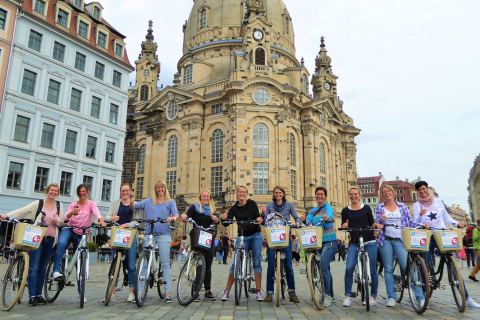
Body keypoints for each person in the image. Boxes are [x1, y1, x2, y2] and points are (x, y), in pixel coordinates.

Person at [413, 180, 480, 308]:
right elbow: (415, 223)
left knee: (452, 263)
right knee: (425, 265)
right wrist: (420, 217)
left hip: (441, 234)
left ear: (428, 189)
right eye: (419, 190)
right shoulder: (417, 205)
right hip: (427, 235)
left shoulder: (438, 201)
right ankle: (423, 293)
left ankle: (467, 298)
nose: (422, 191)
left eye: (424, 188)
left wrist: (457, 223)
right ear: (417, 192)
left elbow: (447, 218)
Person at [0, 183, 65, 306]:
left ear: (58, 193)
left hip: (51, 238)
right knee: (34, 266)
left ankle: (39, 294)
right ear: (47, 191)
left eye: (56, 191)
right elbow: (22, 211)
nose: (53, 192)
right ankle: (32, 296)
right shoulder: (38, 203)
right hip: (37, 238)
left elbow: (62, 222)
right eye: (52, 190)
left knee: (43, 267)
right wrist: (6, 216)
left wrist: (57, 220)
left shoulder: (59, 205)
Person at [51, 184, 106, 302]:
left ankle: (81, 292)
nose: (82, 193)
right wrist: (72, 213)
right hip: (69, 229)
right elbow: (66, 218)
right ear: (78, 193)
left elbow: (97, 213)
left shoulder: (91, 204)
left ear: (87, 192)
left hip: (82, 233)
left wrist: (101, 221)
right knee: (61, 244)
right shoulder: (73, 204)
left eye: (84, 191)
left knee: (79, 262)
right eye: (80, 191)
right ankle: (56, 271)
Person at [133, 180, 178, 303]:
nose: (160, 189)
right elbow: (136, 205)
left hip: (164, 234)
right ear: (155, 189)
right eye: (158, 187)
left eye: (162, 187)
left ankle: (168, 293)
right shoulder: (148, 201)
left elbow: (175, 213)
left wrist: (172, 218)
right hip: (149, 234)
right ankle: (140, 292)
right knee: (144, 262)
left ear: (165, 188)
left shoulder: (170, 202)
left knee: (165, 263)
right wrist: (128, 197)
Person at [375, 184, 420, 307]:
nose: (386, 193)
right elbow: (378, 225)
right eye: (384, 192)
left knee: (408, 267)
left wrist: (422, 224)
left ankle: (420, 297)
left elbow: (409, 221)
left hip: (400, 239)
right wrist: (381, 222)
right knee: (388, 269)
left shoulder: (402, 206)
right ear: (382, 195)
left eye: (388, 191)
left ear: (393, 192)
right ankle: (391, 297)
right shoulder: (379, 207)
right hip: (386, 241)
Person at [220, 185, 264, 301]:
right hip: (242, 236)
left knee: (256, 262)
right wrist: (224, 219)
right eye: (240, 192)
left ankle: (259, 291)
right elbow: (227, 222)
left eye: (244, 192)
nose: (242, 194)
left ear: (247, 194)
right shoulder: (234, 207)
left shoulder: (252, 204)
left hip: (255, 235)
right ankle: (226, 291)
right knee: (235, 263)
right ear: (237, 194)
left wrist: (259, 219)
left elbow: (258, 218)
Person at [341, 187, 379, 307]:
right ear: (349, 195)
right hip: (354, 241)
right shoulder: (345, 210)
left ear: (359, 195)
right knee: (349, 268)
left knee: (373, 269)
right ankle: (347, 296)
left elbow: (372, 222)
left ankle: (373, 296)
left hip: (369, 240)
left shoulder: (366, 208)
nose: (353, 196)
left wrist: (376, 227)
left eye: (355, 194)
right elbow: (343, 224)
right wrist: (345, 225)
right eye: (351, 194)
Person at [263, 186, 301, 303]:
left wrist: (298, 222)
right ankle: (269, 292)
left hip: (285, 238)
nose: (278, 194)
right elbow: (266, 220)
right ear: (273, 195)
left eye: (280, 192)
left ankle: (292, 292)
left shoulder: (289, 205)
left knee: (289, 266)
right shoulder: (269, 206)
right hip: (272, 238)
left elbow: (296, 217)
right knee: (270, 266)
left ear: (283, 194)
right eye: (276, 193)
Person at [181, 189, 219, 300]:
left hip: (208, 238)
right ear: (200, 197)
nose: (205, 198)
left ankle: (208, 290)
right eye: (203, 196)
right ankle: (195, 291)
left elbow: (217, 221)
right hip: (197, 237)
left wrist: (216, 219)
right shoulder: (195, 207)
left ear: (210, 198)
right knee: (198, 265)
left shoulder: (213, 210)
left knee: (208, 265)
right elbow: (186, 216)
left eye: (207, 196)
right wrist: (183, 217)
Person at [105, 183, 139, 303]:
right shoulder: (115, 203)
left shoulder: (134, 204)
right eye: (122, 190)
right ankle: (112, 291)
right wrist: (112, 218)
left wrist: (126, 225)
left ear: (130, 192)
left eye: (126, 190)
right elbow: (107, 217)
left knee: (131, 265)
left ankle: (132, 291)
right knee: (116, 264)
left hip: (131, 235)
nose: (124, 192)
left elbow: (137, 221)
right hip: (117, 235)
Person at [306, 186, 337, 307]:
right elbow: (308, 220)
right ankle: (332, 295)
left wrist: (326, 218)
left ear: (325, 196)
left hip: (329, 241)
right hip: (317, 242)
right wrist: (305, 222)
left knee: (323, 265)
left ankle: (328, 295)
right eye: (317, 194)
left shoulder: (328, 207)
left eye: (322, 194)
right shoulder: (313, 210)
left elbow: (330, 216)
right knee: (326, 268)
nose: (319, 196)